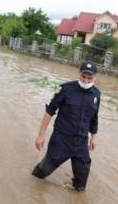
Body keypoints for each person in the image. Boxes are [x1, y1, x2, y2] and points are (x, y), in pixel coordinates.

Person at [31, 61, 101, 192]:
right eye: (83, 76)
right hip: (61, 140)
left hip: (81, 142)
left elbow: (94, 117)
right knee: (41, 172)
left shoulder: (96, 94)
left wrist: (94, 137)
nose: (86, 80)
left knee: (80, 185)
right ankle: (32, 177)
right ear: (79, 74)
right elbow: (49, 112)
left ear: (95, 77)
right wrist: (41, 135)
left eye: (89, 78)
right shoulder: (66, 89)